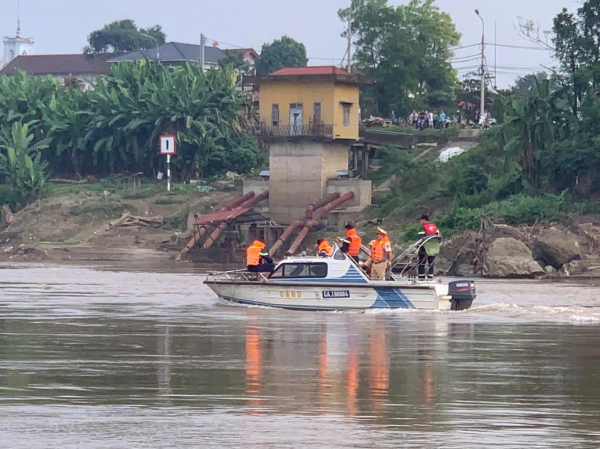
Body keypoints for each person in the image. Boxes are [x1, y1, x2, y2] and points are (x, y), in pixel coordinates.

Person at [417, 215, 441, 281]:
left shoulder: (423, 228)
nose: (420, 222)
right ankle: (430, 277)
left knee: (421, 263)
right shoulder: (434, 227)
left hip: (424, 248)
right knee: (431, 263)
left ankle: (421, 277)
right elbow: (439, 237)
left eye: (421, 220)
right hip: (433, 248)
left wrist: (417, 247)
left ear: (423, 220)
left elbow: (420, 238)